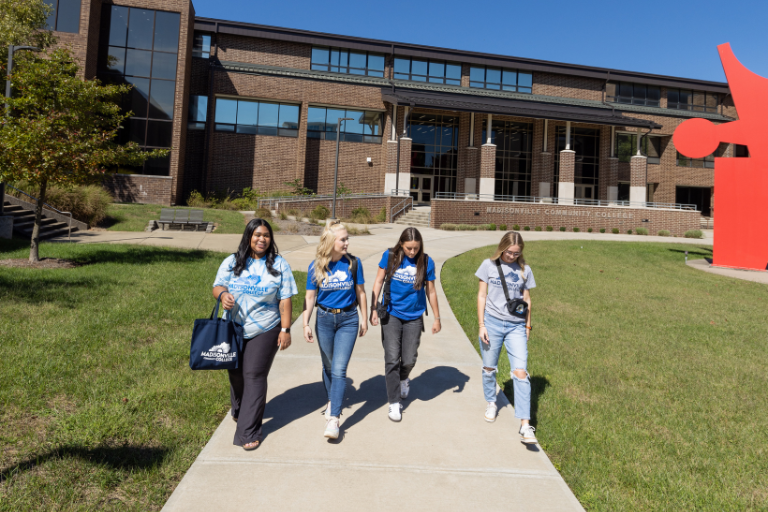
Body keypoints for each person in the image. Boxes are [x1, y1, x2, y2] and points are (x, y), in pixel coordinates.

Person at [212, 218, 298, 450]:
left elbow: (285, 299)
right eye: (258, 235)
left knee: (254, 375)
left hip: (266, 327)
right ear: (249, 236)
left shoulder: (279, 264)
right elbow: (217, 285)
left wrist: (285, 329)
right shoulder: (232, 261)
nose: (262, 239)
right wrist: (222, 296)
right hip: (234, 326)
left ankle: (248, 431)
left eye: (266, 235)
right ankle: (240, 409)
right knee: (236, 373)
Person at [303, 222, 368, 440]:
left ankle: (334, 418)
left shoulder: (353, 263)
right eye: (343, 239)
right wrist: (305, 323)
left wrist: (364, 318)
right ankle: (332, 397)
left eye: (347, 239)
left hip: (348, 319)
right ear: (331, 242)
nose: (347, 243)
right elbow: (310, 297)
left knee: (339, 369)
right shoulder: (316, 267)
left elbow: (361, 293)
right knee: (328, 365)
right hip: (323, 319)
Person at [370, 227, 441, 422]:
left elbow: (431, 291)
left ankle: (403, 378)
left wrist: (437, 317)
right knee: (392, 358)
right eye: (409, 248)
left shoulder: (426, 261)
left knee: (409, 358)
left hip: (414, 315)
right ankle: (394, 402)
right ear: (401, 244)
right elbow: (378, 281)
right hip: (391, 314)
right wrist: (373, 308)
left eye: (415, 248)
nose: (412, 252)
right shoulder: (390, 256)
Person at [475, 231, 537, 444]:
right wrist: (481, 324)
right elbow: (482, 295)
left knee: (520, 373)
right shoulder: (488, 266)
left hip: (516, 327)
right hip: (491, 323)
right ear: (502, 248)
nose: (512, 256)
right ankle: (491, 402)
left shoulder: (525, 270)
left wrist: (528, 325)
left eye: (516, 253)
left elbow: (527, 299)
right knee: (489, 368)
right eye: (509, 252)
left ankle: (525, 425)